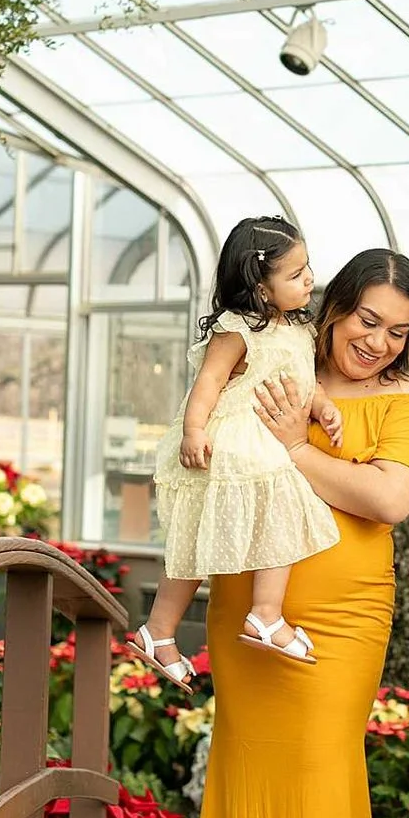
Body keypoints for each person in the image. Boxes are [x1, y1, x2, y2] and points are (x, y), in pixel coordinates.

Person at [159, 250, 409, 818]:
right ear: (333, 309)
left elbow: (389, 499)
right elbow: (205, 433)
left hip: (342, 623)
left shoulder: (407, 400)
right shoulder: (274, 362)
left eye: (399, 331)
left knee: (318, 785)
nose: (378, 342)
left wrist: (294, 449)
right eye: (366, 321)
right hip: (249, 610)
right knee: (246, 793)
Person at [138, 215, 343, 676]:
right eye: (295, 274)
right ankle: (262, 614)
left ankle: (159, 632)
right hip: (230, 439)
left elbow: (303, 384)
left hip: (261, 439)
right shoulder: (237, 329)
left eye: (308, 266)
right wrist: (194, 431)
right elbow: (208, 382)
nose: (309, 278)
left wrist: (323, 406)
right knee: (227, 526)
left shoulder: (298, 328)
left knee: (221, 531)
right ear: (261, 288)